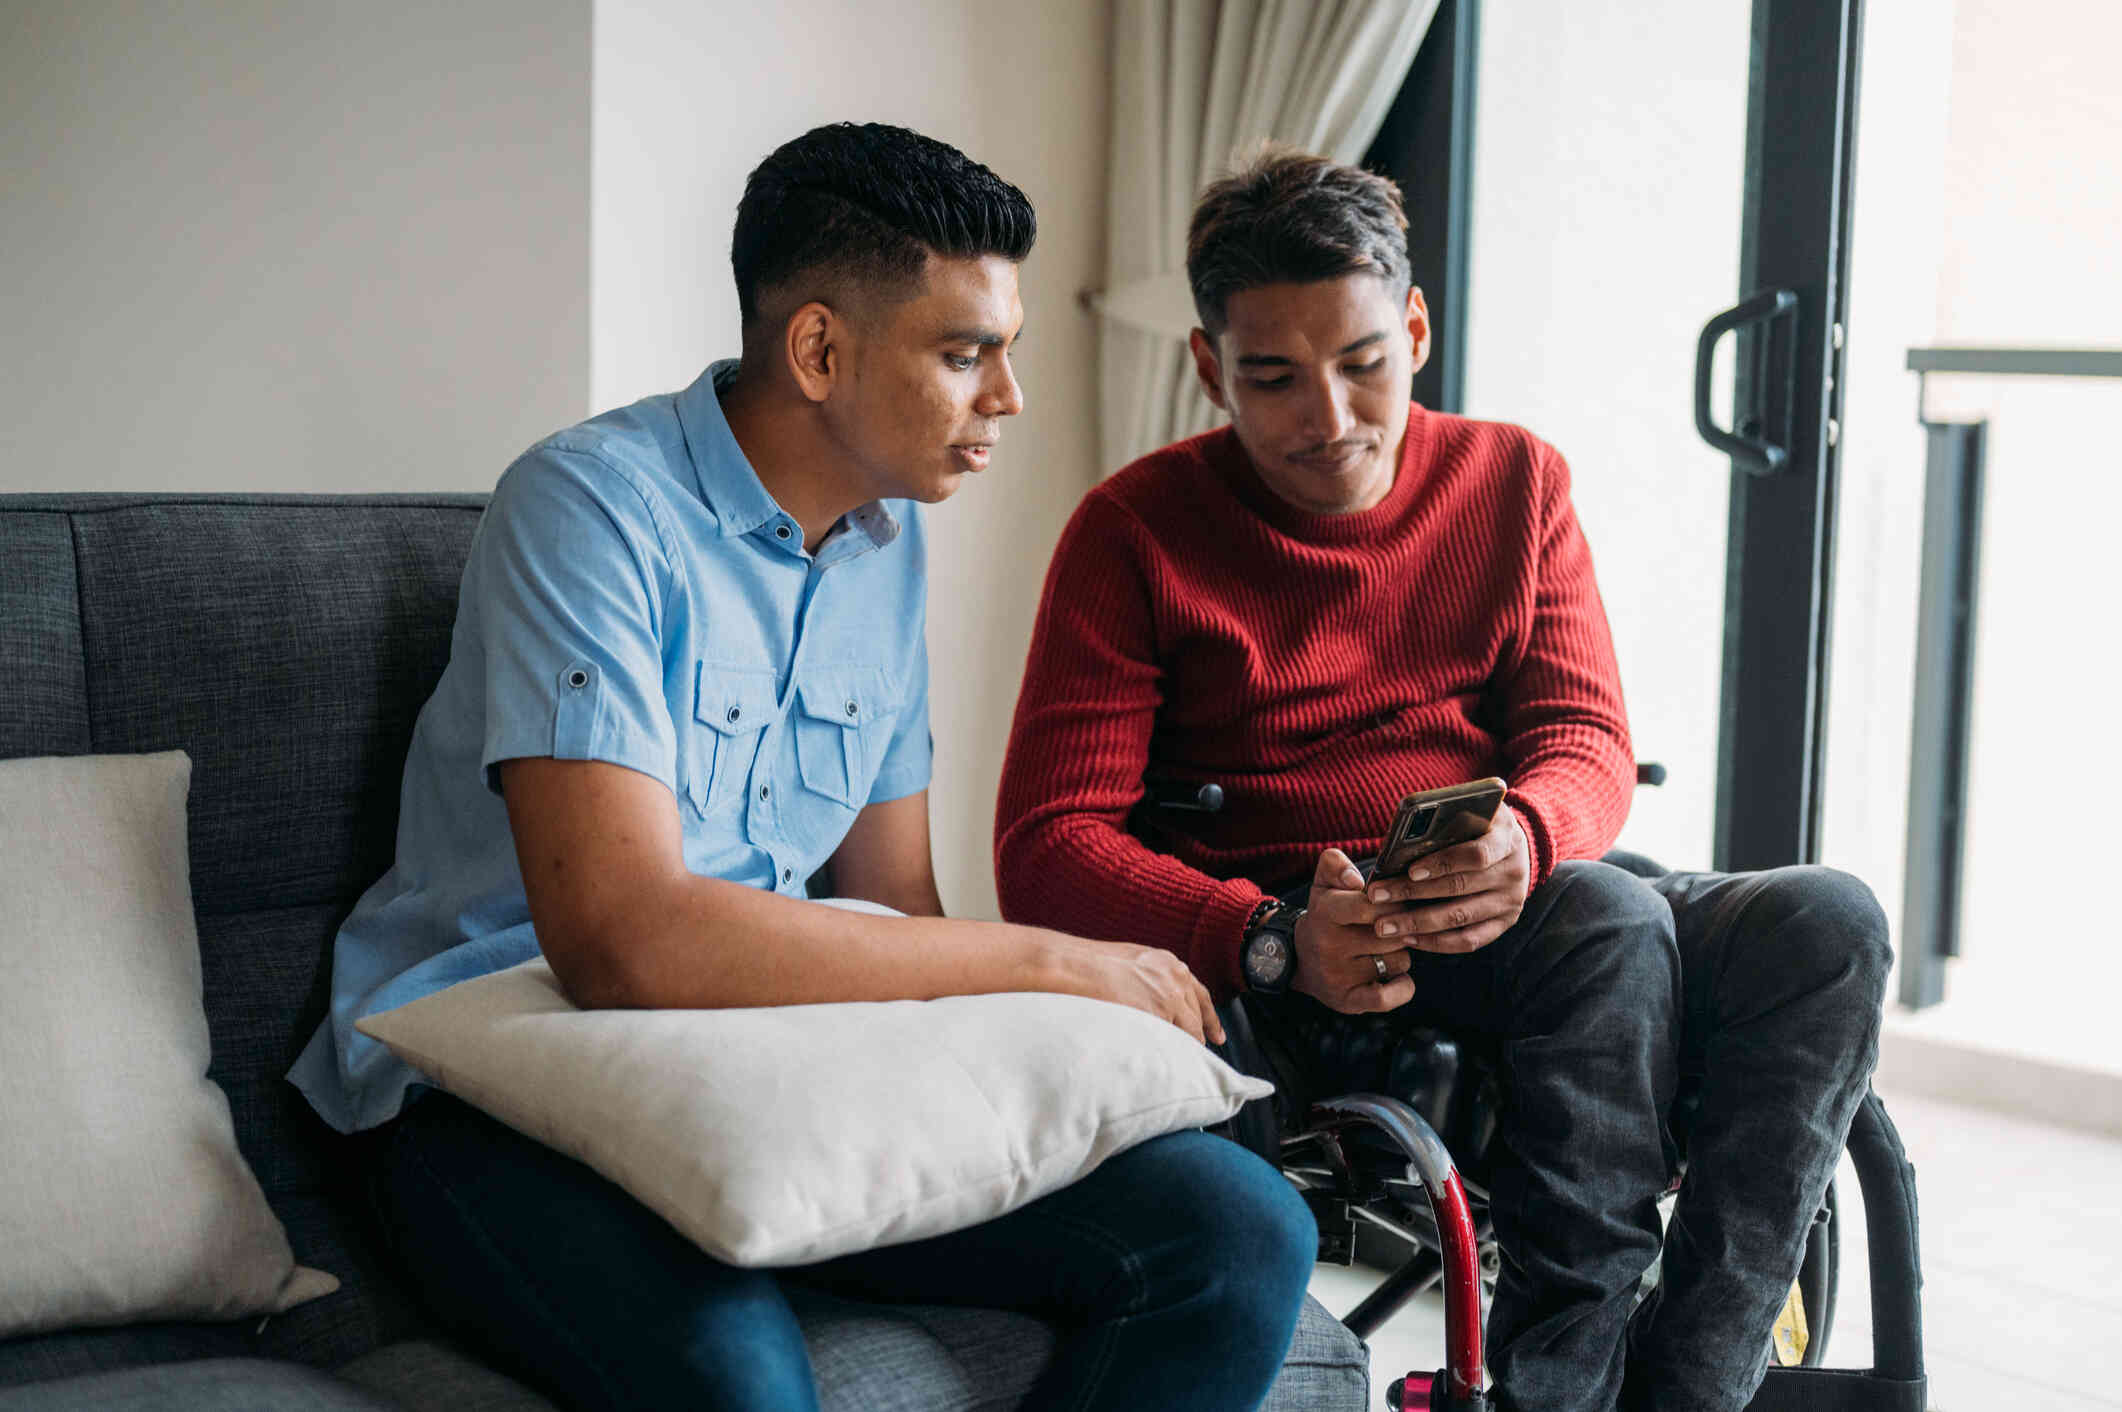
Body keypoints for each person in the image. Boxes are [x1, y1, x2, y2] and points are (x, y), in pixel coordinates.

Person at [288, 122, 1324, 1412]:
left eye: (1005, 351)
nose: (1007, 396)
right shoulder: (587, 508)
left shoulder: (886, 542)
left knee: (1240, 1229)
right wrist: (1056, 957)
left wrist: (1060, 1035)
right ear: (819, 349)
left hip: (771, 1075)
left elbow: (892, 908)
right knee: (746, 1387)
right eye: (965, 353)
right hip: (490, 1087)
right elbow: (624, 943)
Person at [994, 146, 1890, 1412]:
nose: (1329, 416)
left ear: (1413, 326)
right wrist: (1260, 937)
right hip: (1311, 947)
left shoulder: (1514, 479)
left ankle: (1692, 1385)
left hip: (1522, 891)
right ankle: (1553, 1396)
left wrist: (1527, 831)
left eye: (1363, 362)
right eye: (1272, 377)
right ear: (1207, 367)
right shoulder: (1134, 531)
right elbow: (1044, 840)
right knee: (1609, 914)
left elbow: (1583, 736)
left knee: (1827, 918)